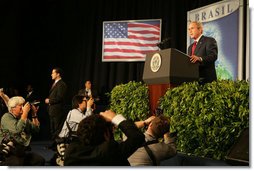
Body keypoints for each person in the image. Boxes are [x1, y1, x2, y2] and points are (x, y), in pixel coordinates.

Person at [64, 110, 145, 166]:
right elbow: (137, 137)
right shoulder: (109, 152)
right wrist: (115, 118)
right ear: (106, 134)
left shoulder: (71, 152)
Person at [0, 96, 45, 165]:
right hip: (9, 152)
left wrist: (34, 114)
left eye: (23, 105)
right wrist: (25, 114)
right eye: (20, 105)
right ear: (13, 108)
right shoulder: (6, 117)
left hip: (20, 151)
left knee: (39, 160)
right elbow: (17, 130)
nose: (23, 107)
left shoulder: (23, 118)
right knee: (17, 164)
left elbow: (36, 130)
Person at [55, 94, 94, 166]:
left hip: (72, 141)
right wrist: (89, 107)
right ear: (79, 103)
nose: (87, 102)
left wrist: (90, 109)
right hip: (64, 143)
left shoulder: (80, 113)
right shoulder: (74, 112)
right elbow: (87, 122)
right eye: (85, 101)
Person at [45, 67, 67, 147]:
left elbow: (60, 97)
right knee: (53, 128)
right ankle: (54, 144)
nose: (51, 74)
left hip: (57, 110)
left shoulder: (61, 84)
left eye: (53, 73)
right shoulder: (55, 83)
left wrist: (49, 100)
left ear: (58, 74)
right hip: (52, 110)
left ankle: (57, 144)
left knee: (57, 128)